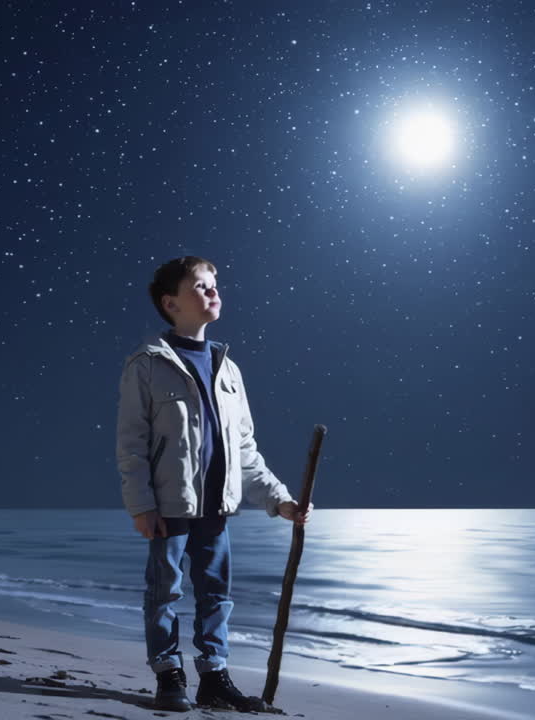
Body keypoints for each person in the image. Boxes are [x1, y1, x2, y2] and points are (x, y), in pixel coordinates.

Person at [116, 256, 311, 712]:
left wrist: (280, 499)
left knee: (217, 595)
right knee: (164, 591)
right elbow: (132, 445)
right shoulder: (147, 365)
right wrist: (141, 506)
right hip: (168, 506)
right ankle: (168, 675)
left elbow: (245, 450)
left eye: (213, 285)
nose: (212, 292)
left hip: (217, 508)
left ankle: (213, 677)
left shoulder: (228, 369)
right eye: (199, 287)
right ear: (171, 303)